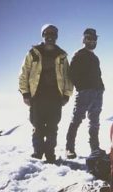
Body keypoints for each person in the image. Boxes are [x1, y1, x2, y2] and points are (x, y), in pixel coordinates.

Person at [19, 24, 73, 163]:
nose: (50, 36)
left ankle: (50, 154)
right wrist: (25, 93)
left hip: (55, 97)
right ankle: (37, 152)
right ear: (43, 35)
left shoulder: (62, 56)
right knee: (37, 126)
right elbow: (24, 73)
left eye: (53, 34)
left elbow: (68, 76)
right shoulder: (33, 53)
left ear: (56, 36)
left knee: (52, 127)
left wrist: (66, 95)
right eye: (47, 33)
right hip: (37, 96)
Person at [65, 28, 105, 159]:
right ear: (84, 39)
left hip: (98, 93)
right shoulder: (79, 54)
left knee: (95, 121)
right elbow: (71, 74)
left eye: (94, 39)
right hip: (85, 93)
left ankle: (95, 148)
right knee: (77, 119)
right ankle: (69, 148)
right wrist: (82, 88)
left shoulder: (95, 58)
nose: (92, 41)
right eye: (89, 38)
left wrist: (100, 88)